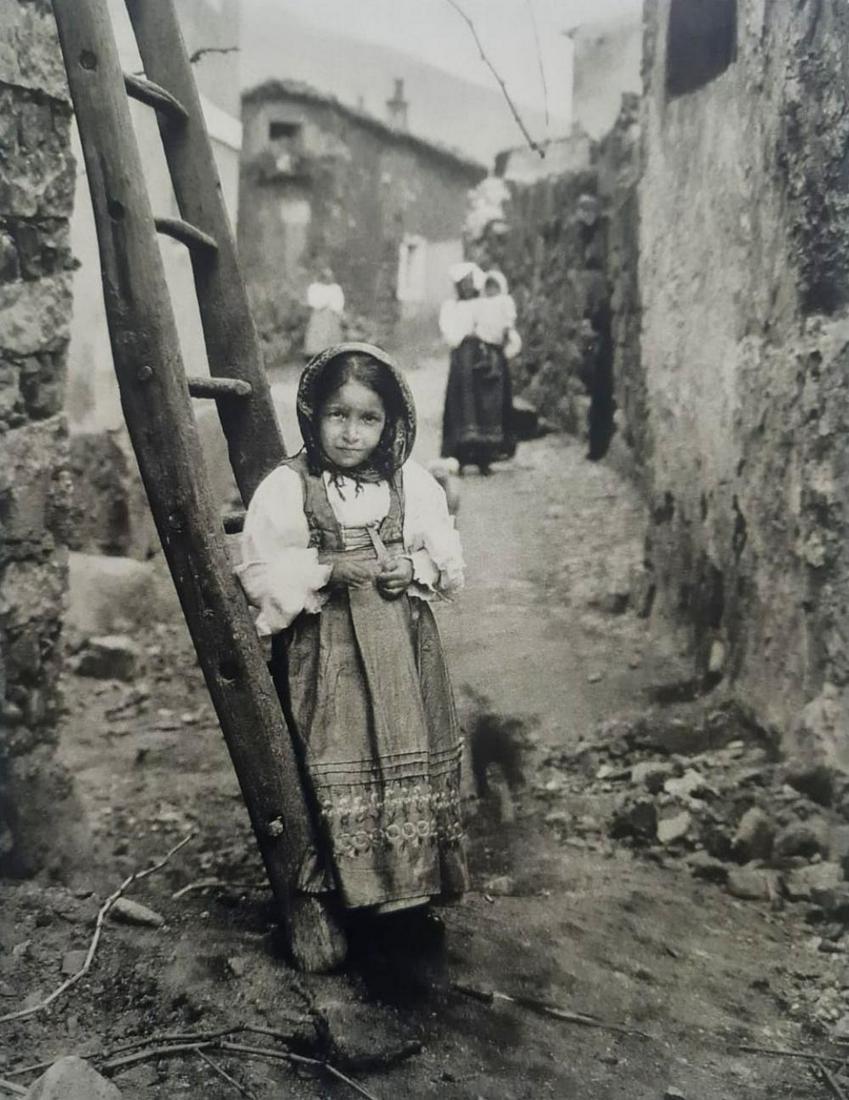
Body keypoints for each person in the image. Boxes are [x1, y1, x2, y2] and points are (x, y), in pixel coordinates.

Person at [236, 342, 468, 919]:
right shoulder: (290, 487)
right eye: (338, 415)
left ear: (390, 422)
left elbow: (448, 559)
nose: (350, 433)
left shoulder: (409, 484)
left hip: (403, 649)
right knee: (340, 754)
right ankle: (352, 888)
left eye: (369, 419)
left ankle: (411, 887)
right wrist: (324, 569)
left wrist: (412, 568)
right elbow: (259, 572)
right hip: (329, 653)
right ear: (314, 413)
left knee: (408, 747)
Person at [439, 262, 517, 476]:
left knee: (487, 407)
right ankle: (461, 458)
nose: (467, 287)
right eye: (462, 284)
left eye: (470, 282)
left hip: (484, 358)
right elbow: (451, 333)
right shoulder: (451, 307)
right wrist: (466, 334)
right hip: (463, 359)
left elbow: (497, 328)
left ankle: (485, 458)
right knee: (463, 407)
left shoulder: (486, 304)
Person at [303, 268, 345, 359]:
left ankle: (331, 353)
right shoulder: (315, 287)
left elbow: (338, 302)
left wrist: (335, 309)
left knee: (332, 334)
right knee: (317, 333)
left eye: (329, 277)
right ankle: (315, 353)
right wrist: (323, 303)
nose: (327, 279)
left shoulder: (335, 288)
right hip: (319, 315)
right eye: (325, 277)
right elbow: (313, 301)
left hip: (331, 315)